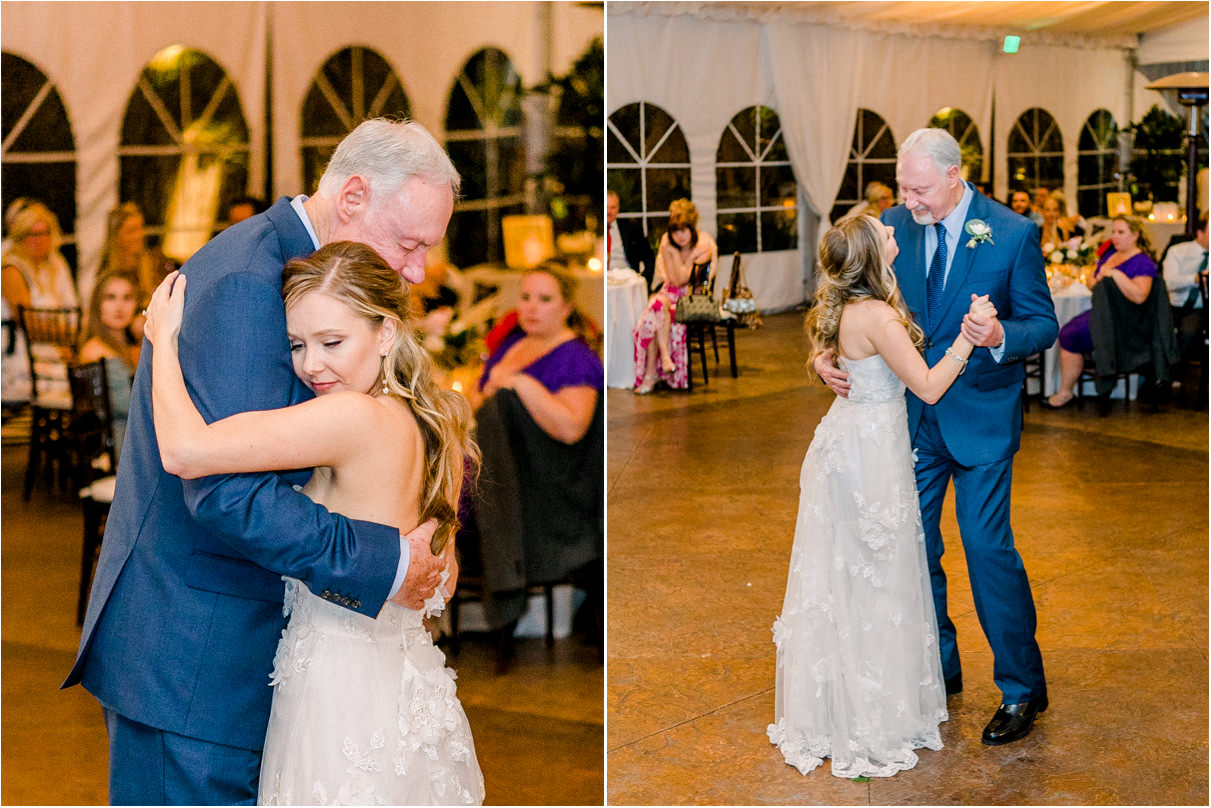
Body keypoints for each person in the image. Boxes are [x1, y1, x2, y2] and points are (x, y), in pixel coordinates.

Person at [64, 117, 459, 805]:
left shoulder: (301, 274)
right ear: (354, 196)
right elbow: (225, 492)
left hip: (237, 651)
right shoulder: (251, 281)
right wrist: (386, 560)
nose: (417, 269)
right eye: (408, 242)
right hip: (195, 659)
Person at [143, 242, 484, 805]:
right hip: (407, 684)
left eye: (332, 342)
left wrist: (164, 342)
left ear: (386, 334)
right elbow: (440, 582)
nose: (310, 365)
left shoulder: (349, 416)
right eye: (298, 345)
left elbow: (183, 450)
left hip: (340, 692)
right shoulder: (439, 420)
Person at [815, 127, 1057, 746]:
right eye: (904, 186)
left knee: (985, 550)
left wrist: (1001, 336)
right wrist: (821, 357)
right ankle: (937, 667)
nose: (908, 200)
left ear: (954, 175)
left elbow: (1043, 324)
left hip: (980, 425)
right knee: (912, 553)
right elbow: (843, 299)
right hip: (908, 428)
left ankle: (1021, 688)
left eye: (919, 188)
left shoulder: (1012, 233)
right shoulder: (893, 226)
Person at [770, 215, 997, 778]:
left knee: (852, 571)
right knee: (875, 571)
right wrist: (969, 339)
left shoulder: (856, 304)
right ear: (874, 253)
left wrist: (827, 358)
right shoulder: (878, 314)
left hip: (856, 442)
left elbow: (834, 341)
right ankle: (868, 711)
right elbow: (927, 385)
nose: (895, 228)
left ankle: (846, 700)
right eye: (884, 230)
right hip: (868, 453)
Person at [466, 265, 604, 661]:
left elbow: (572, 428)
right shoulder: (510, 345)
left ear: (566, 307)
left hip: (550, 484)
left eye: (545, 299)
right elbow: (481, 406)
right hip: (502, 473)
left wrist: (521, 384)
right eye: (526, 297)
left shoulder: (576, 356)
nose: (531, 307)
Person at [1044, 215, 1159, 408]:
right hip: (1102, 313)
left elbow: (1140, 296)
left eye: (1121, 232)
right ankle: (1068, 387)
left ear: (1135, 235)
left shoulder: (1143, 262)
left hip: (1126, 320)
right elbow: (1091, 283)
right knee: (1066, 330)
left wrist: (1117, 275)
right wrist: (1101, 274)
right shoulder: (1110, 255)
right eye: (1113, 231)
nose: (1115, 236)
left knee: (1071, 335)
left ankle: (1065, 391)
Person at [632, 198, 718, 393]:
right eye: (675, 230)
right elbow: (674, 279)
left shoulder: (704, 246)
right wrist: (688, 261)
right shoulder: (667, 245)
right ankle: (665, 357)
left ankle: (650, 376)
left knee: (654, 313)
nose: (680, 236)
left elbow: (683, 281)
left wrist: (681, 260)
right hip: (667, 295)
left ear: (691, 227)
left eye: (684, 230)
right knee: (657, 305)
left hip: (687, 298)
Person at [1, 200, 79, 404]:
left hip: (54, 353)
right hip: (21, 357)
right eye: (32, 234)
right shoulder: (11, 268)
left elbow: (74, 313)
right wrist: (60, 332)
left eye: (45, 233)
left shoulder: (56, 265)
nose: (40, 240)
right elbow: (26, 322)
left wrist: (63, 335)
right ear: (20, 237)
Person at [77, 269, 141, 461]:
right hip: (120, 449)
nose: (119, 306)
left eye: (127, 298)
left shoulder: (124, 348)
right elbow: (128, 406)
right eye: (110, 298)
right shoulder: (97, 352)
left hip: (131, 439)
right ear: (98, 305)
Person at [77, 202, 177, 318]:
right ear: (116, 236)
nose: (138, 236)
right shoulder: (107, 272)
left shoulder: (155, 261)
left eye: (140, 229)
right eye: (131, 231)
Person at [1163, 211, 1208, 361]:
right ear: (1200, 233)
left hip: (1199, 309)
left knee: (1189, 330)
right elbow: (1169, 282)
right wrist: (1195, 279)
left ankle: (1175, 372)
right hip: (1174, 305)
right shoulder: (1177, 251)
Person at [606, 190, 656, 290]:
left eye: (613, 207)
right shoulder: (593, 231)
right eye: (606, 207)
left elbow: (649, 258)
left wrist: (643, 281)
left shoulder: (631, 228)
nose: (608, 211)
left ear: (618, 208)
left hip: (626, 283)